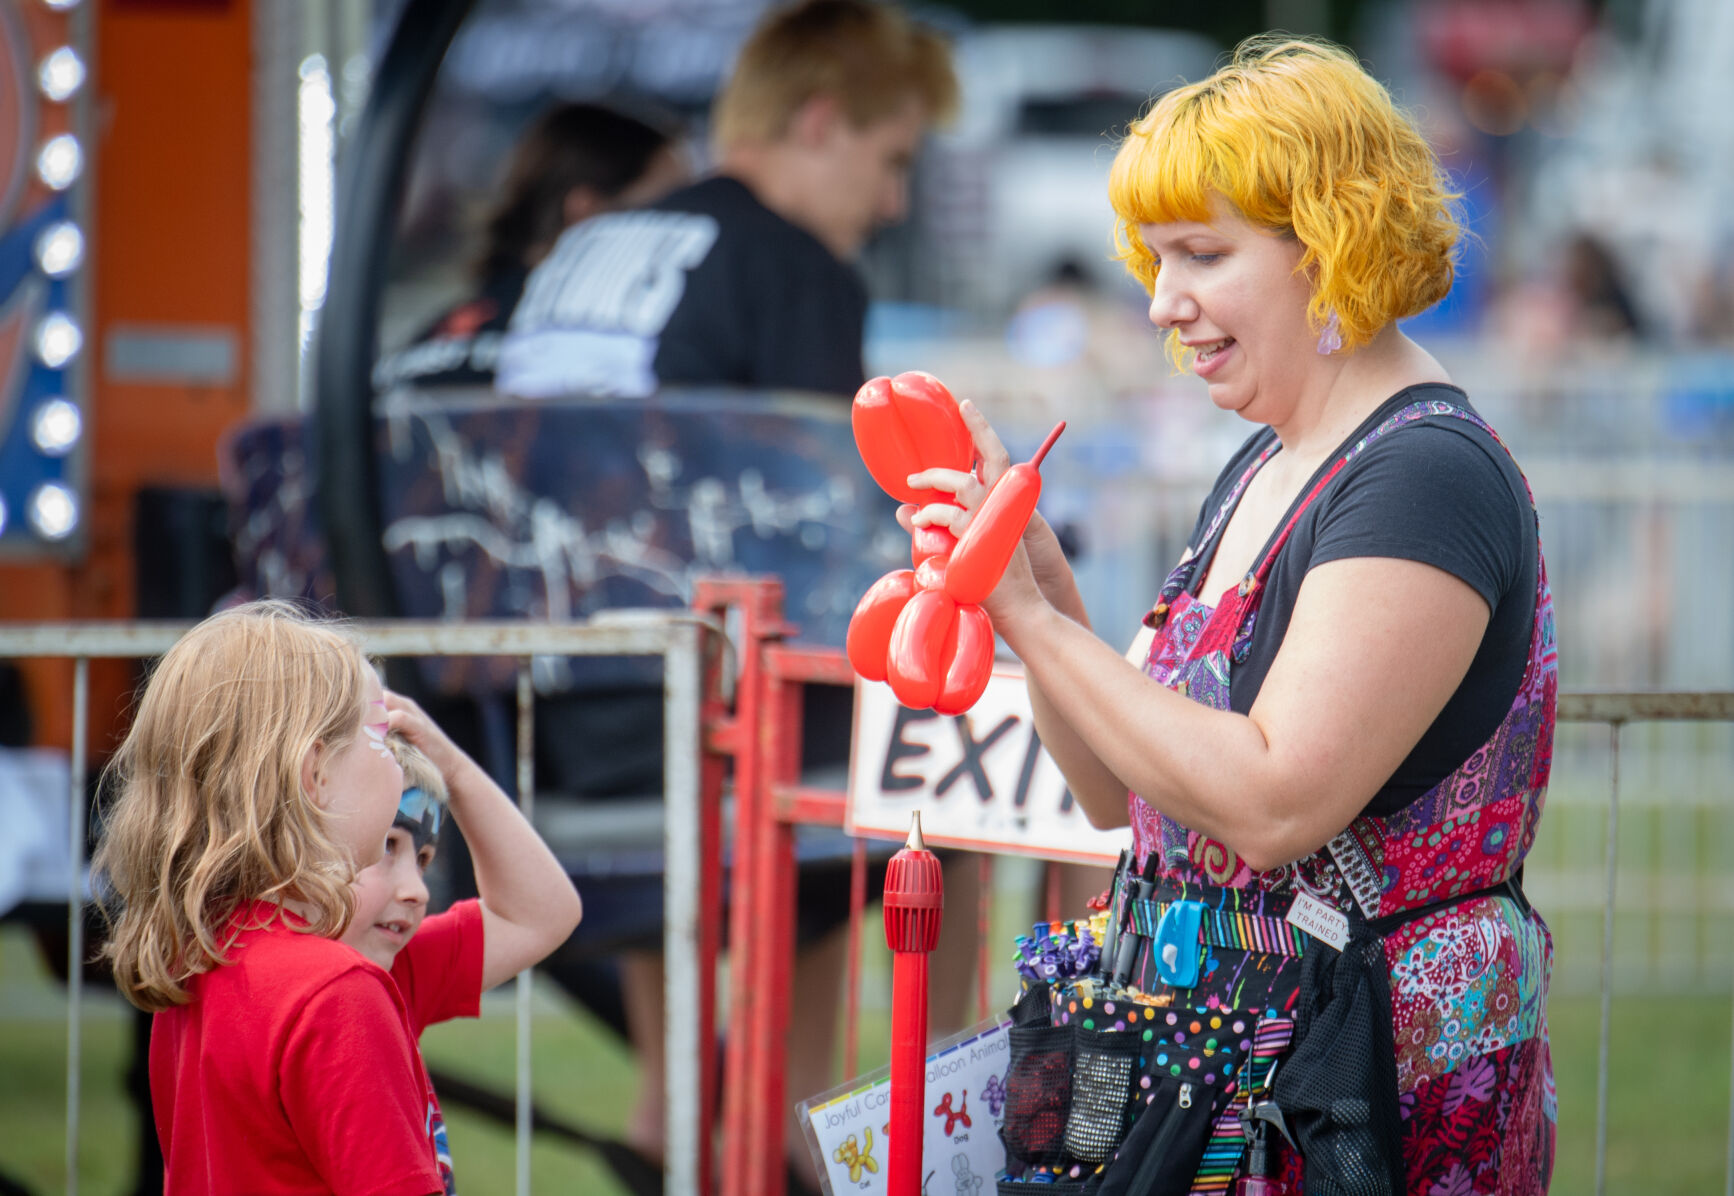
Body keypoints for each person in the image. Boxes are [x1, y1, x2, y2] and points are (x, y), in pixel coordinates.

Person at [911, 37, 1557, 1194]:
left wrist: (1036, 624)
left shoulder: (1422, 475)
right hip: (1215, 1070)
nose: (1165, 302)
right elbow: (1121, 791)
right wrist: (1043, 592)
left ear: (1330, 240)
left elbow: (1273, 799)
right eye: (1155, 259)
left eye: (1203, 254)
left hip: (1356, 1095)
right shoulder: (1266, 460)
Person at [492, 2, 966, 1184]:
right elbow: (825, 533)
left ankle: (675, 1106)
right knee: (960, 771)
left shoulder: (589, 249)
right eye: (892, 159)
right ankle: (818, 1130)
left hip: (533, 717)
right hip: (705, 735)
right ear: (819, 123)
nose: (895, 203)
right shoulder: (791, 264)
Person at [90, 600, 443, 1196]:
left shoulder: (197, 961)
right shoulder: (336, 993)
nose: (398, 757)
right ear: (314, 775)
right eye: (381, 736)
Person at [339, 721, 584, 1196]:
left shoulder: (397, 968)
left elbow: (545, 913)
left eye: (425, 859)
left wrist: (451, 767)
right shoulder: (279, 990)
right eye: (388, 845)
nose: (417, 890)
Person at [374, 102, 690, 392]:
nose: (687, 230)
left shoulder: (434, 336)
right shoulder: (594, 353)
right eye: (667, 211)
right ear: (587, 213)